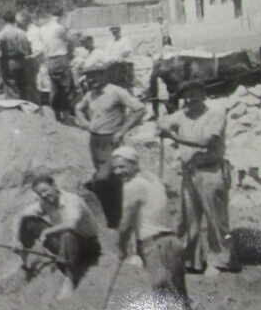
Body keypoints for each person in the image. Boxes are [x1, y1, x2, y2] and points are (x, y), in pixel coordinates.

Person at [112, 145, 200, 310]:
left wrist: (121, 246)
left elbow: (126, 222)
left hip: (157, 245)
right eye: (115, 168)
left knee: (166, 298)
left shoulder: (133, 186)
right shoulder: (152, 179)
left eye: (122, 166)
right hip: (170, 242)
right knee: (177, 296)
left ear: (134, 164)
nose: (118, 172)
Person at [158, 80, 234, 272]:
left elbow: (206, 141)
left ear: (203, 95)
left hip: (211, 171)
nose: (190, 99)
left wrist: (173, 136)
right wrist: (162, 121)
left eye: (195, 94)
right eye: (187, 95)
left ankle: (221, 260)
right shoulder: (182, 115)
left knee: (216, 219)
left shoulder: (215, 115)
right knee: (189, 218)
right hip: (189, 172)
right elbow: (162, 124)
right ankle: (192, 261)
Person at [72, 65, 146, 228]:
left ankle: (119, 218)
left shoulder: (116, 91)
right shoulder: (90, 94)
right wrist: (85, 123)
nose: (91, 80)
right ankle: (113, 219)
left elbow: (139, 109)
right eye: (88, 77)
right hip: (95, 141)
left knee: (104, 178)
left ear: (104, 75)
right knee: (109, 179)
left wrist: (122, 131)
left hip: (111, 140)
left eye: (95, 75)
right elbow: (78, 108)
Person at [15, 175, 102, 300]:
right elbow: (22, 215)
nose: (43, 195)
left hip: (87, 244)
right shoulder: (45, 202)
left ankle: (70, 278)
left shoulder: (72, 200)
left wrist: (47, 231)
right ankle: (24, 260)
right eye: (40, 194)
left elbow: (71, 224)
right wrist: (16, 240)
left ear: (54, 186)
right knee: (28, 221)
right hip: (65, 241)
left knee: (67, 233)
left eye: (45, 190)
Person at [38, 10, 74, 122]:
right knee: (66, 88)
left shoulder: (42, 29)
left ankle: (57, 116)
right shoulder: (59, 28)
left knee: (54, 88)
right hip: (61, 58)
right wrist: (70, 55)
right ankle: (67, 117)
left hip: (50, 60)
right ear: (61, 16)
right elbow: (71, 41)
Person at [0, 14, 32, 100]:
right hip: (22, 62)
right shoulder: (22, 33)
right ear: (14, 20)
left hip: (8, 63)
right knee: (22, 88)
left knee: (11, 89)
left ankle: (14, 105)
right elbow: (28, 48)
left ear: (4, 21)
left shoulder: (2, 34)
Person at [148, 38, 183, 118]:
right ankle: (171, 109)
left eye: (166, 41)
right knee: (171, 93)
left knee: (169, 93)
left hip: (167, 75)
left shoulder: (167, 52)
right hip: (168, 76)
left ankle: (169, 110)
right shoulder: (166, 52)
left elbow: (169, 63)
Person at [21, 11, 43, 105]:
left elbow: (38, 50)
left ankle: (37, 105)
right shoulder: (33, 30)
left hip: (36, 62)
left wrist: (28, 58)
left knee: (35, 85)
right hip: (35, 62)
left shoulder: (32, 32)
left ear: (25, 21)